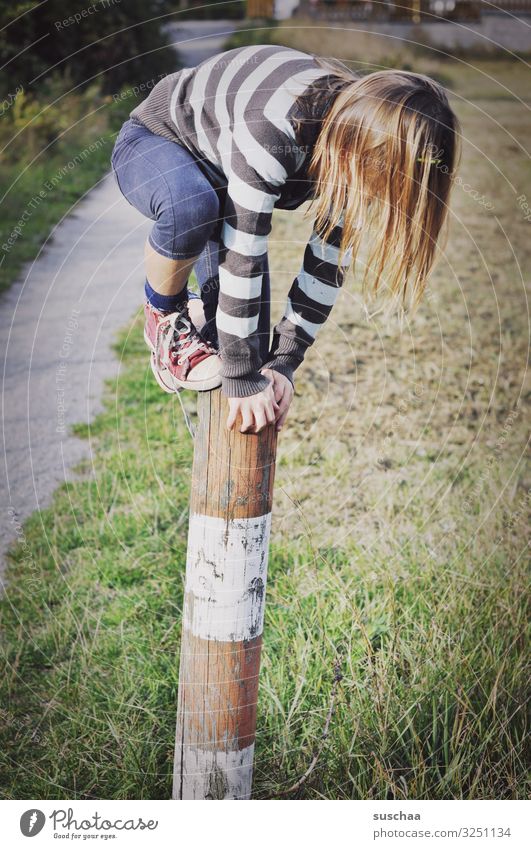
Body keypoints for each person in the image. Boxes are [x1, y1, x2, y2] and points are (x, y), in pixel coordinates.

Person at [110, 45, 459, 433]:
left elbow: (325, 266)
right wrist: (241, 380)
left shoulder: (358, 148)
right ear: (359, 149)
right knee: (191, 205)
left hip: (224, 175)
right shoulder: (276, 128)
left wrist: (283, 363)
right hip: (158, 142)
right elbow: (244, 252)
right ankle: (165, 316)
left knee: (250, 352)